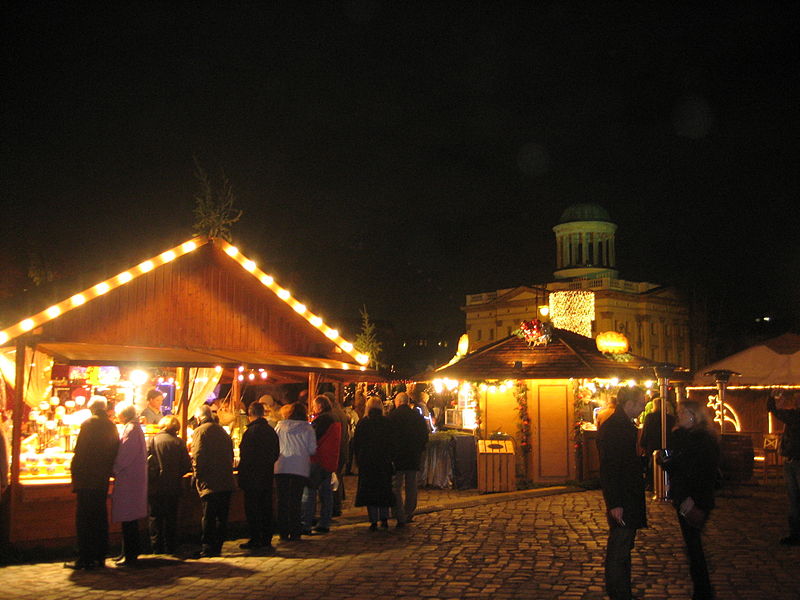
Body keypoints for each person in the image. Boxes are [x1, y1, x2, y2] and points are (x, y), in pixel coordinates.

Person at [660, 401, 720, 600]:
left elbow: (695, 471)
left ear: (694, 415)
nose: (679, 416)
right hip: (688, 496)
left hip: (694, 498)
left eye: (682, 413)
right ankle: (702, 589)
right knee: (692, 544)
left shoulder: (700, 440)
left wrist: (689, 498)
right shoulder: (690, 437)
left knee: (693, 546)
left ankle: (703, 590)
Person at [596, 386, 648, 600]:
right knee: (619, 548)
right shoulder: (616, 428)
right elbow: (611, 467)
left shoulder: (622, 424)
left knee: (624, 546)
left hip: (627, 495)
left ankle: (622, 591)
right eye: (641, 403)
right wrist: (615, 502)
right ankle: (618, 593)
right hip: (623, 498)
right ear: (629, 404)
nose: (644, 407)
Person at [64, 397, 120, 570]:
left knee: (84, 518)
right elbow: (114, 450)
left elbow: (80, 451)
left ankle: (84, 556)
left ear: (91, 408)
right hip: (101, 478)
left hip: (87, 478)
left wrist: (75, 472)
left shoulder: (88, 424)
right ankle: (100, 555)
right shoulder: (111, 426)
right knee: (100, 516)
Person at [192, 404, 235, 557]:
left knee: (209, 516)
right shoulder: (223, 431)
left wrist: (197, 475)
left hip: (210, 481)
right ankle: (218, 545)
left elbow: (197, 456)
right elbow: (231, 454)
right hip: (226, 480)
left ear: (199, 417)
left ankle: (208, 546)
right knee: (222, 516)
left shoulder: (200, 431)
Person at [238, 401, 280, 551]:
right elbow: (276, 453)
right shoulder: (270, 431)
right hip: (266, 475)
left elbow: (246, 456)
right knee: (266, 507)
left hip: (252, 476)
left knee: (253, 508)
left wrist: (243, 474)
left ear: (250, 415)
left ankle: (256, 537)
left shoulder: (251, 432)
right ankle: (266, 538)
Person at [147, 415, 192, 554]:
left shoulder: (153, 441)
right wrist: (176, 473)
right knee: (171, 517)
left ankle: (156, 546)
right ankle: (171, 545)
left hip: (156, 486)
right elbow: (186, 465)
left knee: (155, 517)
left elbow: (146, 462)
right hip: (174, 486)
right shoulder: (179, 442)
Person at [111, 403, 148, 567]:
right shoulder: (134, 428)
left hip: (129, 480)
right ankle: (126, 551)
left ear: (123, 415)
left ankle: (130, 553)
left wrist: (114, 468)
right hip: (132, 479)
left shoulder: (130, 430)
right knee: (129, 518)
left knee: (129, 519)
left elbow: (125, 455)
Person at [274, 402, 317, 541]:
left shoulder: (280, 426)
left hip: (282, 466)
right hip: (299, 468)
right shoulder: (308, 428)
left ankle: (283, 531)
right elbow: (312, 449)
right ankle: (295, 530)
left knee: (282, 500)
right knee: (295, 500)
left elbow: (274, 445)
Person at [353, 396, 395, 530]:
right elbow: (392, 442)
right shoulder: (387, 422)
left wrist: (358, 459)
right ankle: (384, 518)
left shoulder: (363, 423)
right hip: (383, 461)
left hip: (367, 461)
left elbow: (357, 443)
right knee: (383, 489)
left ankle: (373, 520)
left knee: (370, 490)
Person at [387, 391, 429, 527]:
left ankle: (398, 513)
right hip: (413, 456)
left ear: (397, 402)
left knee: (396, 486)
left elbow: (388, 437)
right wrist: (419, 449)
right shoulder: (417, 417)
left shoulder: (392, 417)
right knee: (411, 485)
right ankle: (409, 512)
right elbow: (424, 435)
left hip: (397, 457)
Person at [302, 395, 341, 534]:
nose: (312, 408)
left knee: (310, 492)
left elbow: (313, 437)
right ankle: (325, 522)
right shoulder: (334, 418)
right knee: (326, 493)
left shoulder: (323, 420)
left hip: (319, 460)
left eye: (314, 405)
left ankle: (306, 523)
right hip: (330, 460)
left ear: (320, 406)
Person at [767, 390, 800, 546]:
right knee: (793, 499)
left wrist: (773, 400)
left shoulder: (796, 416)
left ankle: (795, 534)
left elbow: (777, 412)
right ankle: (795, 533)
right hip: (791, 460)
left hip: (796, 461)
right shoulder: (794, 415)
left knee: (794, 499)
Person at [639, 396, 676, 490]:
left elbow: (646, 432)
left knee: (652, 465)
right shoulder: (670, 418)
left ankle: (652, 484)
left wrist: (643, 443)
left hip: (652, 444)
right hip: (666, 444)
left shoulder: (650, 417)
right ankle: (665, 484)